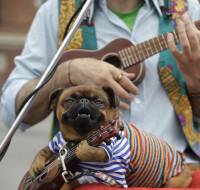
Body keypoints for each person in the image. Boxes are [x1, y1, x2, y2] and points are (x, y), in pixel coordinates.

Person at [0, 0, 200, 165]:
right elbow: (12, 109)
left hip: (172, 171)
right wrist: (63, 74)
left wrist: (196, 84)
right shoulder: (57, 11)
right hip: (84, 175)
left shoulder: (188, 10)